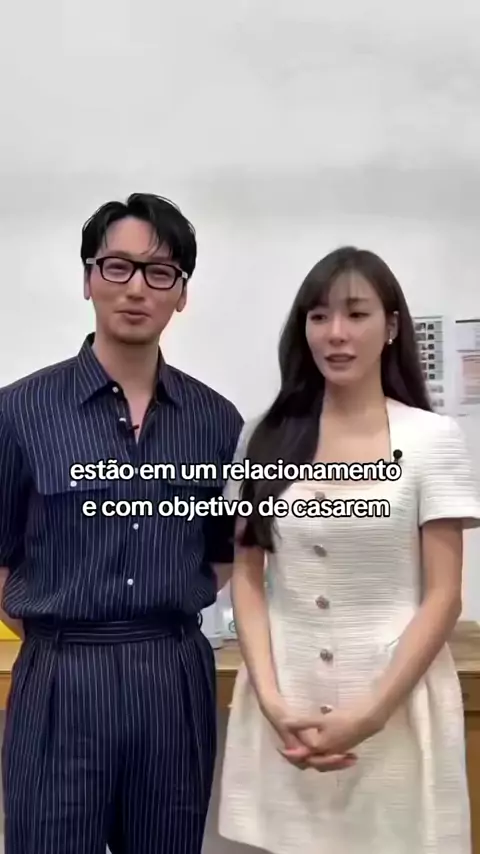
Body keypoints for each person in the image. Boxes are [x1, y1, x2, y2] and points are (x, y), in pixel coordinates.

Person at [0, 192, 243, 854]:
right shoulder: (20, 412)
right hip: (60, 674)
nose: (136, 288)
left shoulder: (215, 422)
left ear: (181, 294)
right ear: (88, 279)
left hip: (172, 674)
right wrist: (64, 632)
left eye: (159, 272)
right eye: (117, 266)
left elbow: (223, 553)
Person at [218, 245, 480, 854]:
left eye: (357, 314)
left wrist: (371, 713)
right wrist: (272, 699)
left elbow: (444, 596)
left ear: (391, 328)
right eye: (319, 316)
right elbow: (248, 577)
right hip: (286, 701)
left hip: (395, 702)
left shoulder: (432, 439)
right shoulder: (266, 435)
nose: (336, 333)